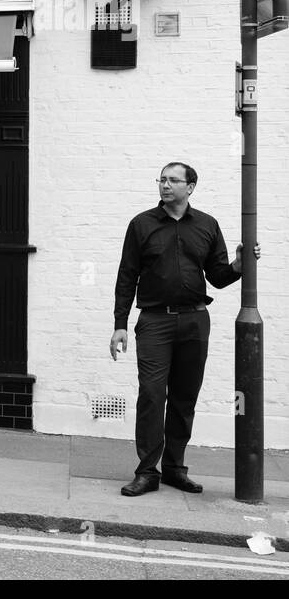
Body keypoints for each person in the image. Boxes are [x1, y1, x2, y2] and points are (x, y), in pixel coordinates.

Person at [110, 162, 260, 497]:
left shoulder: (207, 225)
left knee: (184, 396)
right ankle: (147, 471)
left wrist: (238, 265)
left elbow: (218, 276)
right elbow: (126, 276)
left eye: (173, 180)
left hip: (194, 320)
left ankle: (175, 469)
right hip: (154, 322)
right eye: (162, 179)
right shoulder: (141, 224)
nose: (165, 185)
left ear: (190, 187)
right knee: (151, 394)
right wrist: (120, 324)